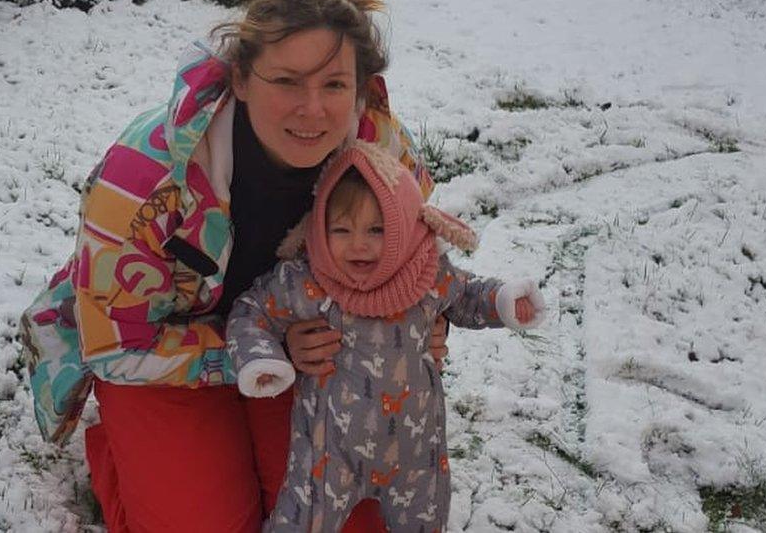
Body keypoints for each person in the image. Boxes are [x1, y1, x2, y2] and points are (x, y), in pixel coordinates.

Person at [18, 0, 451, 530]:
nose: (313, 110)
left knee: (353, 524)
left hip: (304, 349)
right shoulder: (143, 178)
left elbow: (413, 262)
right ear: (241, 78)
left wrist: (428, 320)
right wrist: (251, 353)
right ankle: (117, 452)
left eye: (334, 84)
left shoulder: (382, 156)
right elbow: (114, 344)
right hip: (164, 354)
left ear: (360, 87)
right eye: (287, 81)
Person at [225, 142, 545, 532]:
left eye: (377, 229)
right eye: (341, 229)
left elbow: (467, 294)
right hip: (328, 456)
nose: (359, 244)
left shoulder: (425, 274)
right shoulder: (309, 282)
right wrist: (262, 357)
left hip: (416, 457)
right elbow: (251, 310)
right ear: (319, 230)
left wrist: (504, 301)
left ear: (406, 226)